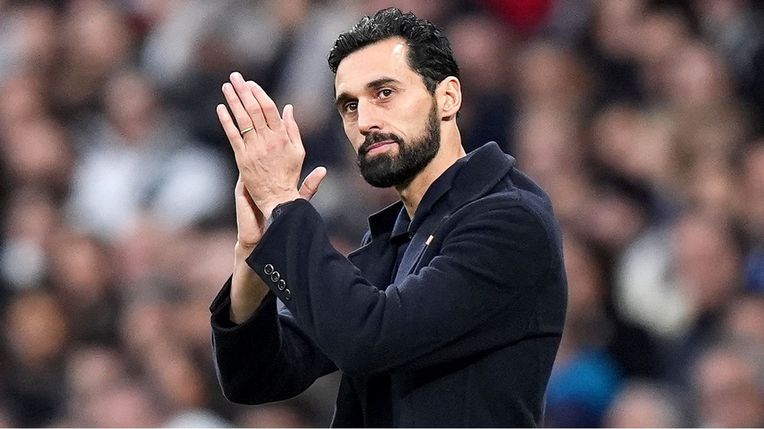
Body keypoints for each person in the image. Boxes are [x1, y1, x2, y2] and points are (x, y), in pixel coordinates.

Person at [209, 7, 567, 427]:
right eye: (349, 106)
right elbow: (254, 377)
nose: (365, 121)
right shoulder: (396, 238)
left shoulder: (509, 219)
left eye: (384, 93)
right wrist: (254, 255)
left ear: (448, 97)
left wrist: (284, 206)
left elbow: (368, 338)